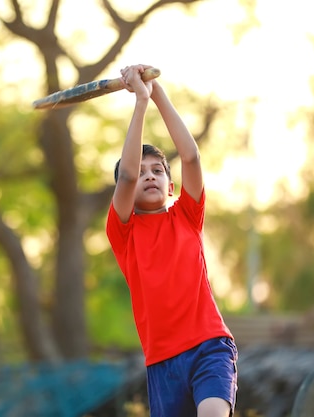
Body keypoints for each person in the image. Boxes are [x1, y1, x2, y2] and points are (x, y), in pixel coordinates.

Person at [105, 64, 238, 417]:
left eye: (159, 170)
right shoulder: (123, 233)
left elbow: (191, 156)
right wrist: (140, 103)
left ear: (171, 186)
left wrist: (156, 90)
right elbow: (128, 173)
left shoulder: (187, 216)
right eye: (141, 173)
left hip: (210, 345)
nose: (148, 176)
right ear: (125, 193)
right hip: (162, 362)